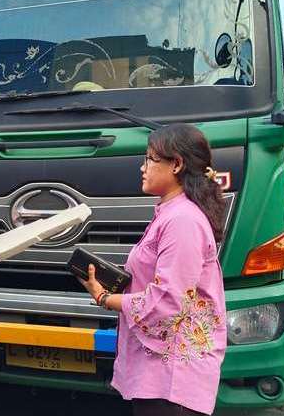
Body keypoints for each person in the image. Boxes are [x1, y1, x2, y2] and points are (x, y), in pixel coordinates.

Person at [77, 123, 227, 416]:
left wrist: (105, 298)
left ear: (177, 164)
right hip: (160, 373)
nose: (142, 167)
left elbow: (168, 302)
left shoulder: (182, 220)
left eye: (150, 159)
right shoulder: (169, 213)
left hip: (173, 380)